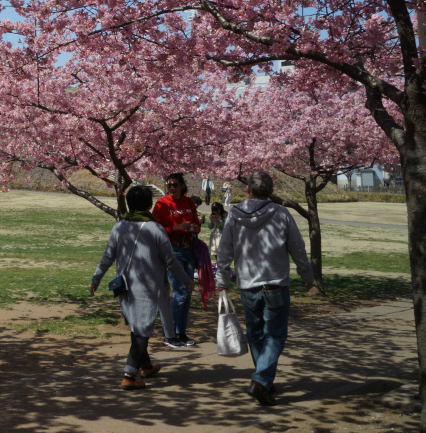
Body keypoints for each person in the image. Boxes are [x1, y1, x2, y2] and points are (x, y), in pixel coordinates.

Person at [216, 171, 314, 407]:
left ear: (248, 190)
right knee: (276, 334)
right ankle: (261, 380)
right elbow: (297, 247)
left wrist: (222, 279)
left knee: (257, 334)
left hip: (248, 285)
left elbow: (225, 249)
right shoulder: (281, 213)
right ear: (271, 192)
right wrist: (307, 275)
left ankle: (263, 380)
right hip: (275, 284)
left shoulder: (234, 215)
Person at [90, 186, 194, 390]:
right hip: (148, 287)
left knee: (137, 326)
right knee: (142, 331)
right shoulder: (155, 229)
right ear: (149, 205)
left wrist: (96, 278)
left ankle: (145, 366)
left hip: (125, 286)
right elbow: (170, 261)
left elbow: (108, 256)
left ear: (129, 203)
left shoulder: (119, 227)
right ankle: (129, 374)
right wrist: (186, 280)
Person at [152, 172, 201, 347]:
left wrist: (194, 227)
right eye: (169, 185)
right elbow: (155, 229)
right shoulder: (162, 204)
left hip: (188, 249)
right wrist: (176, 228)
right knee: (180, 292)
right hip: (173, 250)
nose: (171, 188)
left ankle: (181, 333)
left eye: (174, 184)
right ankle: (169, 334)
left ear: (182, 185)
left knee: (187, 293)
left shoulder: (189, 202)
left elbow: (197, 224)